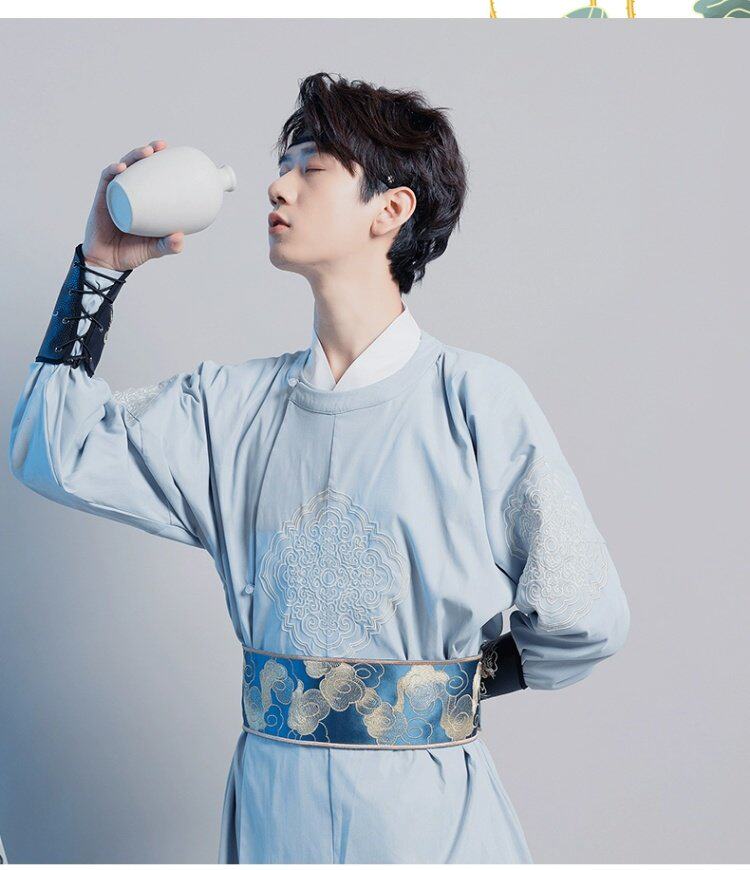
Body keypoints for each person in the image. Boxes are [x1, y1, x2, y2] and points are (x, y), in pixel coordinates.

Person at [8, 72, 630, 864]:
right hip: (277, 814)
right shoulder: (228, 409)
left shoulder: (474, 399)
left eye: (312, 167)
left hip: (428, 821)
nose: (278, 185)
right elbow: (51, 443)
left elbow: (584, 615)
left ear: (390, 209)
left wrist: (453, 684)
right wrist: (100, 268)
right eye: (283, 165)